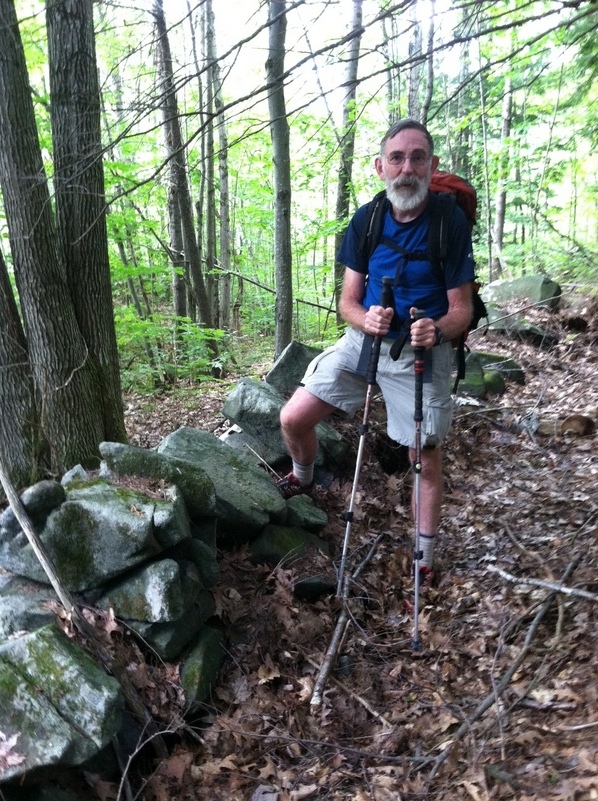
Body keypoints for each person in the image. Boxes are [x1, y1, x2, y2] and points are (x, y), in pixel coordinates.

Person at [277, 119, 475, 583]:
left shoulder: (449, 222)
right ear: (380, 167)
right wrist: (363, 318)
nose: (407, 168)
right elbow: (348, 301)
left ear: (433, 165)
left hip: (419, 355)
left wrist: (437, 330)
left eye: (418, 157)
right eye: (397, 158)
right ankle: (302, 478)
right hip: (362, 343)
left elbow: (461, 310)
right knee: (292, 418)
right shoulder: (367, 220)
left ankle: (423, 562)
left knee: (423, 458)